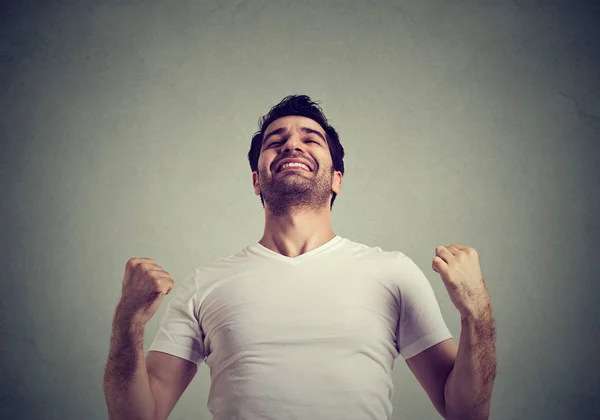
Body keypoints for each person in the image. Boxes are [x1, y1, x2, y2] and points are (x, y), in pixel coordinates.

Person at [103, 95, 497, 420]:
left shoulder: (391, 273)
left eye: (311, 139)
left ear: (337, 178)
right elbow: (139, 416)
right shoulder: (206, 283)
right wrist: (128, 320)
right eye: (275, 141)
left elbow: (465, 412)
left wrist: (475, 311)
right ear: (257, 179)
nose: (292, 144)